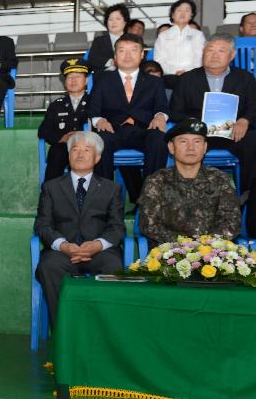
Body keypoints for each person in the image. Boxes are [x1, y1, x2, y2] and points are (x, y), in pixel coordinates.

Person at [168, 33, 256, 232]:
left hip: (234, 134)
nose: (214, 55)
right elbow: (174, 111)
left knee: (254, 142)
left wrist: (245, 120)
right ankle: (184, 204)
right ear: (203, 53)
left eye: (221, 51)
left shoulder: (245, 78)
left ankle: (247, 195)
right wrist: (192, 123)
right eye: (210, 50)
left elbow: (253, 107)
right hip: (199, 134)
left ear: (232, 55)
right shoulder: (188, 79)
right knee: (184, 143)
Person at [34, 131, 125, 322]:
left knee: (113, 266)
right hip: (62, 252)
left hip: (100, 252)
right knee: (49, 267)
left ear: (97, 157)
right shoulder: (51, 187)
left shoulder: (111, 188)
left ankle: (103, 328)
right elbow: (42, 224)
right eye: (75, 150)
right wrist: (63, 245)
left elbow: (117, 227)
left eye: (87, 150)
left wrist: (98, 245)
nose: (80, 154)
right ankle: (63, 329)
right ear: (69, 155)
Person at [87, 34, 169, 200]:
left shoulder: (154, 82)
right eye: (122, 51)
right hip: (113, 130)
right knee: (100, 140)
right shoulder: (103, 79)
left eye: (133, 50)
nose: (128, 55)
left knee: (159, 139)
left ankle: (150, 198)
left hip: (143, 130)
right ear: (115, 56)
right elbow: (92, 108)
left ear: (141, 55)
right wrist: (99, 120)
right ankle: (104, 199)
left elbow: (162, 106)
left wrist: (160, 116)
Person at [138, 119, 240, 247]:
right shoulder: (157, 181)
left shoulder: (220, 179)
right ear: (171, 147)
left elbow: (232, 222)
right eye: (183, 141)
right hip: (168, 255)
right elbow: (149, 224)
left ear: (205, 147)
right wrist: (184, 246)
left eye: (197, 141)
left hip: (212, 255)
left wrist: (205, 246)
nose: (191, 147)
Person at [38, 59, 91, 182]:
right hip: (64, 149)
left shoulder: (95, 102)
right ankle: (50, 198)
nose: (73, 80)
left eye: (77, 76)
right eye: (69, 77)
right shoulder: (56, 105)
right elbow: (43, 131)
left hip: (89, 148)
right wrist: (63, 138)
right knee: (56, 152)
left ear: (86, 80)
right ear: (65, 83)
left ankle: (96, 198)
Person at [153, 0, 205, 89]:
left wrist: (187, 72)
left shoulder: (198, 35)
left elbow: (200, 58)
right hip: (169, 77)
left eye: (187, 10)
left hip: (192, 76)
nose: (183, 13)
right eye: (179, 10)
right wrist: (175, 71)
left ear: (191, 15)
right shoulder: (163, 36)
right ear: (173, 14)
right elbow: (159, 59)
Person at [87, 3, 130, 75]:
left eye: (118, 19)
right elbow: (92, 60)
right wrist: (111, 62)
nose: (114, 22)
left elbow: (141, 61)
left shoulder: (133, 40)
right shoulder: (99, 41)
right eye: (110, 19)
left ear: (125, 22)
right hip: (104, 78)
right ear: (106, 23)